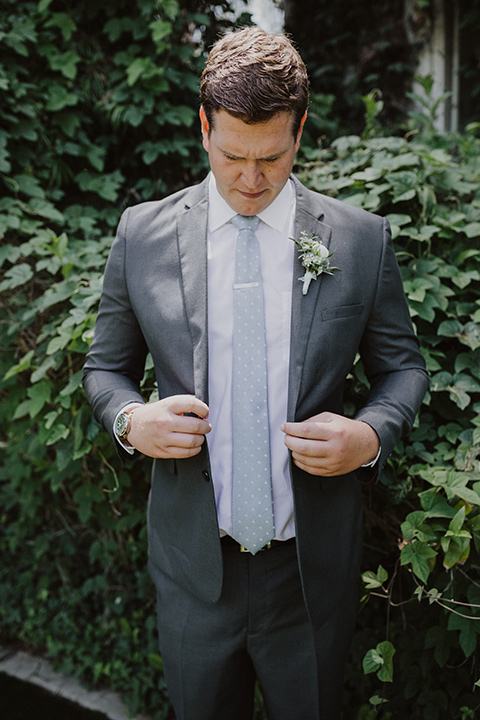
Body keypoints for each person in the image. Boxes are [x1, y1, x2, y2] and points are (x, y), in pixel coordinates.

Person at [83, 25, 428, 720]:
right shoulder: (141, 235)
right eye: (232, 155)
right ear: (204, 126)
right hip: (192, 573)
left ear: (300, 131)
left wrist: (370, 436)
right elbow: (105, 369)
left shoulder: (360, 240)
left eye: (270, 157)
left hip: (310, 576)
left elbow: (404, 369)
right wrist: (131, 420)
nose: (249, 178)